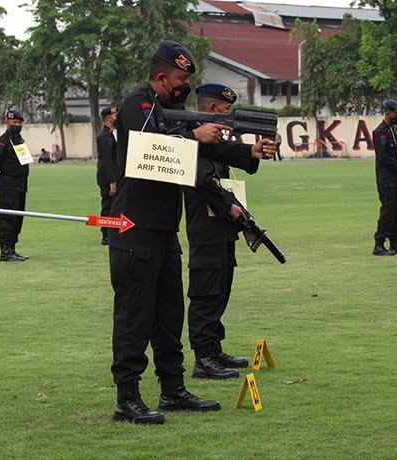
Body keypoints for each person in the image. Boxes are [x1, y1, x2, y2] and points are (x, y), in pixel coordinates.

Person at [108, 41, 275, 424]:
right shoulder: (139, 105)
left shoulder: (171, 112)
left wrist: (248, 153)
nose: (184, 86)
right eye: (180, 78)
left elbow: (203, 156)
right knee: (134, 319)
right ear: (162, 76)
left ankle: (173, 389)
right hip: (134, 231)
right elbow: (146, 153)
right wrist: (193, 138)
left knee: (169, 319)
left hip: (164, 233)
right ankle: (127, 397)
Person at [184, 83, 261, 380]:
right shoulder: (192, 136)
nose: (227, 115)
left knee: (220, 289)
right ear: (214, 107)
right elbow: (202, 180)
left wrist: (241, 219)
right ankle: (203, 357)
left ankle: (213, 348)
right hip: (205, 225)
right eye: (225, 108)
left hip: (221, 225)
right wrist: (231, 209)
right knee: (206, 292)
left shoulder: (212, 138)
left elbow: (226, 164)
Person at [373, 99, 397, 256]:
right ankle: (379, 244)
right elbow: (384, 158)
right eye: (396, 114)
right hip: (387, 179)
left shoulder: (393, 131)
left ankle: (395, 244)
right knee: (388, 212)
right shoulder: (380, 132)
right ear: (389, 113)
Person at [0, 110, 30, 262]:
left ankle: (12, 248)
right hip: (8, 186)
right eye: (14, 123)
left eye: (19, 123)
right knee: (7, 218)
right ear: (7, 123)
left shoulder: (18, 140)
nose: (17, 126)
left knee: (18, 218)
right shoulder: (2, 142)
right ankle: (5, 250)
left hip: (20, 186)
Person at [96, 106, 118, 245]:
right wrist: (113, 181)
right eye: (116, 115)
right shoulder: (105, 136)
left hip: (113, 175)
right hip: (107, 177)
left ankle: (113, 232)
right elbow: (108, 160)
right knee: (108, 206)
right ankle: (106, 235)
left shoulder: (112, 133)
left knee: (114, 206)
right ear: (109, 118)